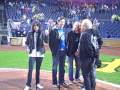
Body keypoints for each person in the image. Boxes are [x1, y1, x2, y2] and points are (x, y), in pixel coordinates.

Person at [24, 21, 48, 90]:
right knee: (30, 70)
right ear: (33, 26)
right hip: (32, 53)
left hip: (40, 53)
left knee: (38, 70)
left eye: (37, 25)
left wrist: (46, 35)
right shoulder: (29, 33)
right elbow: (26, 43)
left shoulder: (42, 33)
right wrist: (27, 48)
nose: (35, 27)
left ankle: (37, 84)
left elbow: (46, 41)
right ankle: (28, 85)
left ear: (39, 26)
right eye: (34, 25)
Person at [49, 16, 68, 88]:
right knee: (54, 68)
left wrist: (66, 49)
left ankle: (61, 81)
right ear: (58, 22)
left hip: (63, 52)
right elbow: (50, 43)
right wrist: (53, 51)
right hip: (56, 52)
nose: (62, 23)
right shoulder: (54, 31)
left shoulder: (64, 31)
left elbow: (65, 42)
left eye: (64, 22)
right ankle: (54, 82)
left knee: (62, 68)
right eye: (61, 22)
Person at [78, 19, 97, 90]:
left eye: (82, 25)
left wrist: (91, 57)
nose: (81, 27)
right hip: (91, 59)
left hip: (86, 59)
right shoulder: (93, 33)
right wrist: (95, 57)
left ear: (85, 26)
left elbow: (88, 48)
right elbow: (96, 46)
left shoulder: (85, 34)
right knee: (91, 75)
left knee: (86, 76)